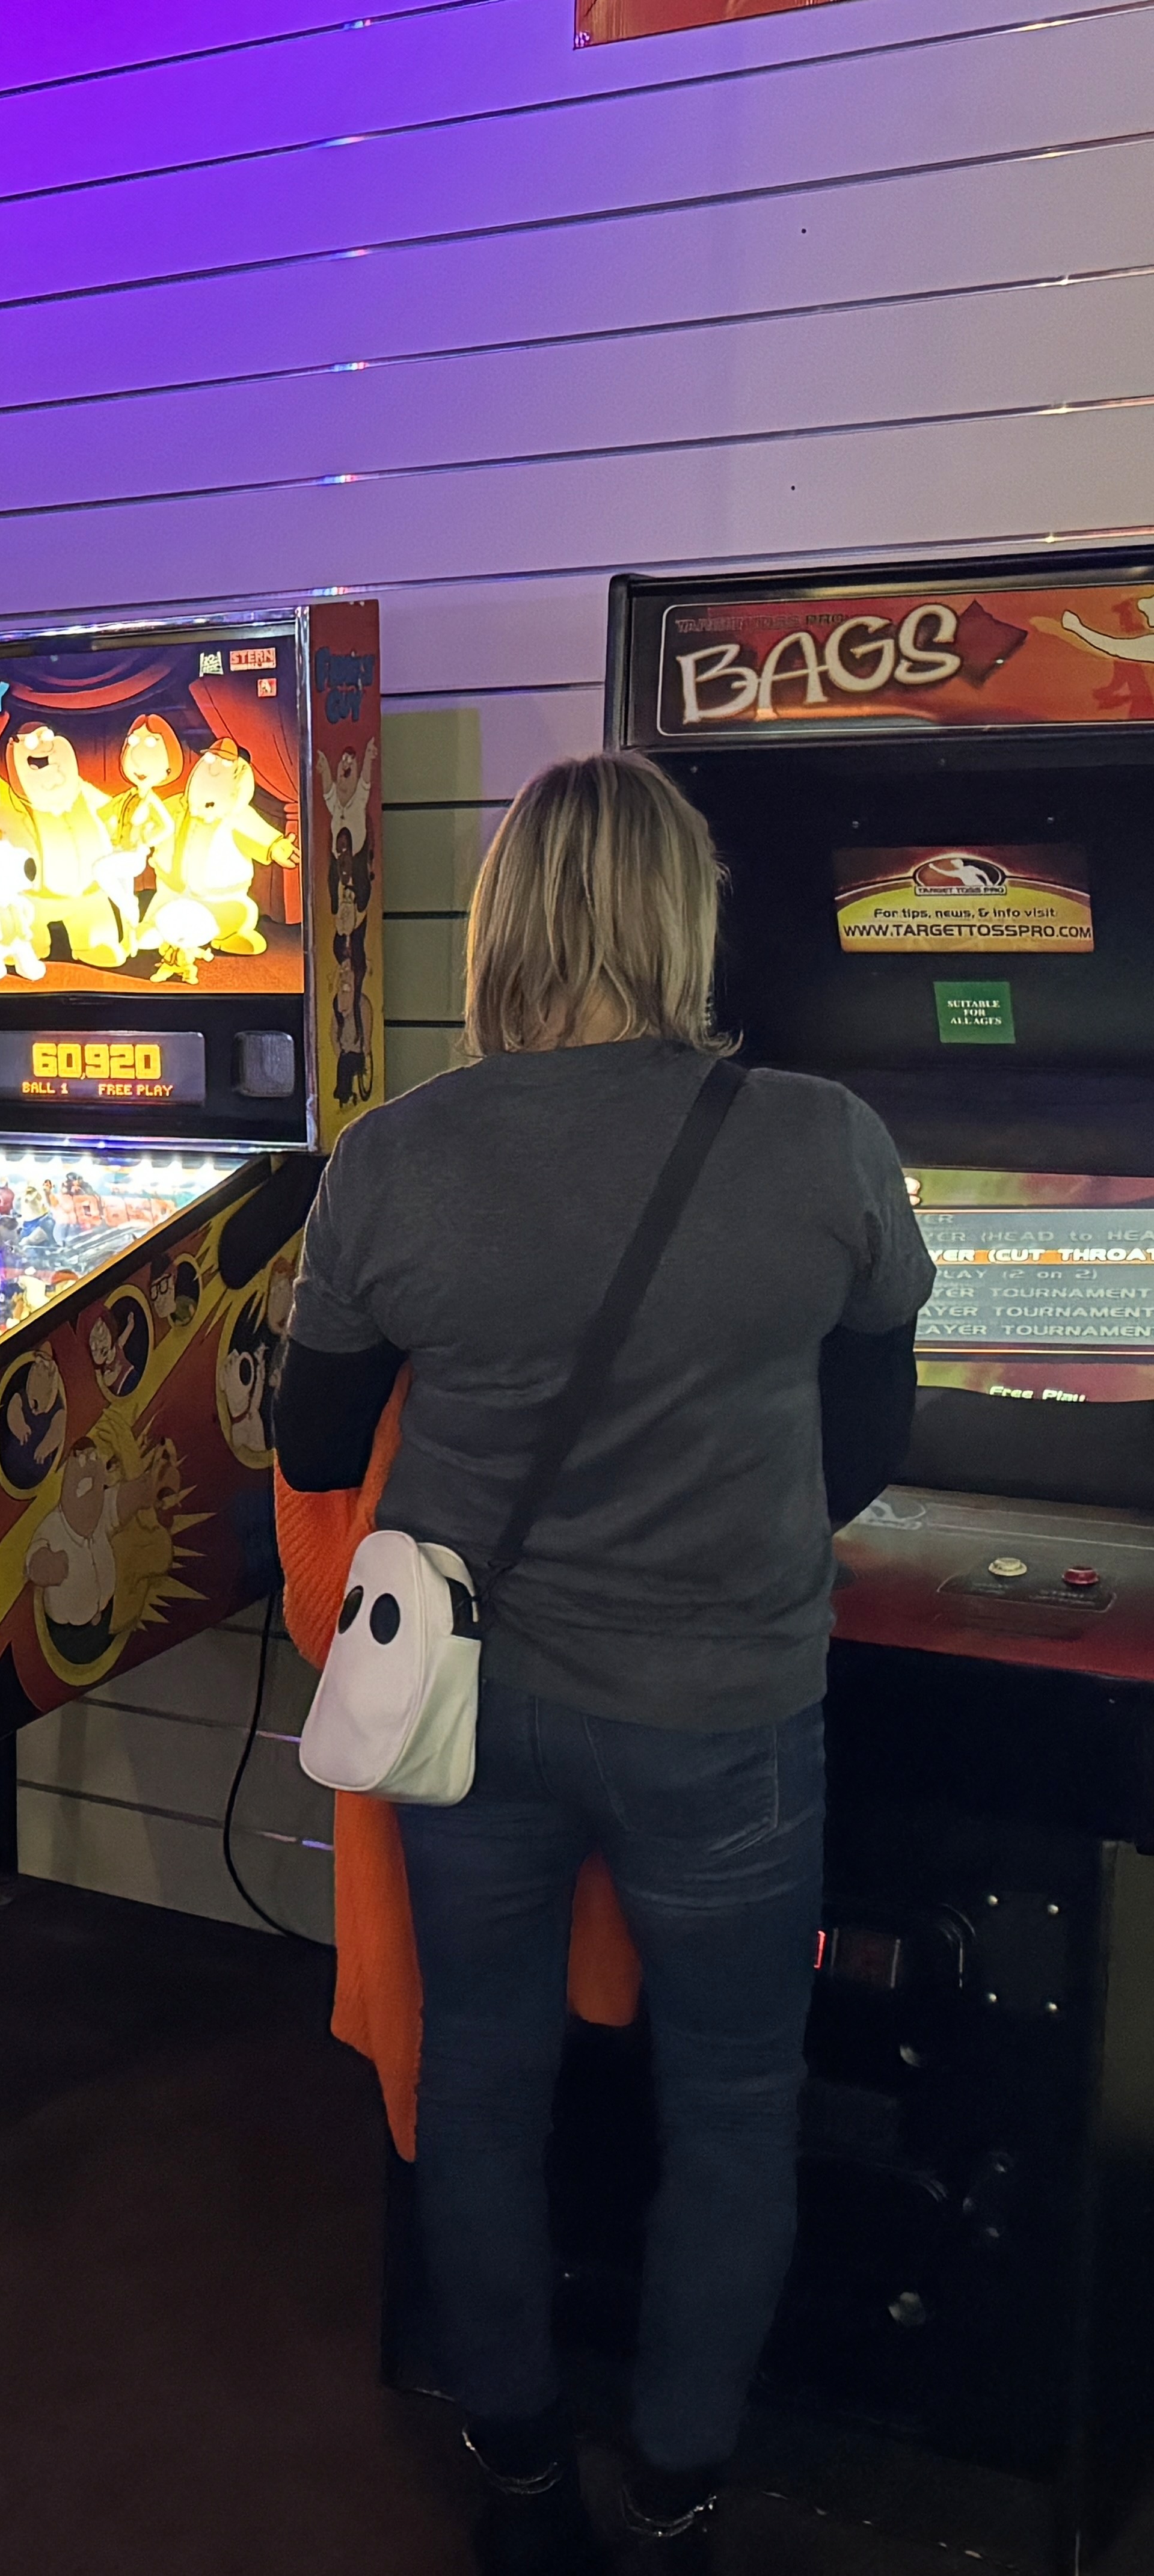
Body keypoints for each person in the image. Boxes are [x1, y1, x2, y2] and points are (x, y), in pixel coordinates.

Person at [275, 752, 931, 2576]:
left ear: (500, 928)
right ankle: (684, 2483)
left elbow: (316, 1440)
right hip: (734, 1715)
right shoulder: (823, 1140)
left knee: (482, 2076)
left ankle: (524, 2476)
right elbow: (867, 1435)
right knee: (733, 2104)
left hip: (474, 1712)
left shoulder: (396, 1155)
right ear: (681, 917)